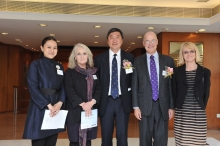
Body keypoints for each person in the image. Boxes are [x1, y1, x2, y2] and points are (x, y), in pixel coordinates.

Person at [132, 31, 175, 146]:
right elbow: (134, 85)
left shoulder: (168, 61)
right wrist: (136, 107)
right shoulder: (137, 62)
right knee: (145, 141)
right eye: (147, 41)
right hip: (144, 106)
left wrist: (171, 106)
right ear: (143, 43)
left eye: (152, 40)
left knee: (161, 140)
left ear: (157, 42)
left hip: (163, 106)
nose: (150, 43)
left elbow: (170, 85)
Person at [23, 36, 66, 146]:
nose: (52, 50)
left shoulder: (59, 66)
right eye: (49, 47)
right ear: (42, 48)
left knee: (52, 141)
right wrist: (48, 105)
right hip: (40, 107)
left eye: (55, 48)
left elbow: (63, 87)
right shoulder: (35, 65)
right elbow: (33, 87)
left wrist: (59, 103)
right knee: (39, 141)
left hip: (55, 109)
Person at [94, 28, 134, 146]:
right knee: (106, 136)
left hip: (123, 101)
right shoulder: (99, 58)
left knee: (122, 136)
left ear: (122, 40)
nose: (114, 39)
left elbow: (132, 79)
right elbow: (96, 81)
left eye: (117, 37)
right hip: (106, 101)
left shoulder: (129, 58)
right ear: (107, 41)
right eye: (111, 37)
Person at [172, 42, 211, 146]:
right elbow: (173, 91)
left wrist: (201, 106)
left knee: (198, 140)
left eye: (191, 51)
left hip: (198, 112)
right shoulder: (176, 71)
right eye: (185, 52)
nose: (189, 54)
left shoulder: (205, 72)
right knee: (182, 141)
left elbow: (207, 92)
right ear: (182, 55)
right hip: (182, 112)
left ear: (195, 53)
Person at [64, 43, 101, 146]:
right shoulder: (70, 72)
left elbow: (99, 89)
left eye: (84, 53)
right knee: (75, 141)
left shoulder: (94, 72)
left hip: (89, 112)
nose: (82, 56)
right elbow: (69, 91)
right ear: (75, 57)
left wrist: (91, 103)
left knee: (88, 140)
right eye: (79, 54)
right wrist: (84, 105)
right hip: (75, 112)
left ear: (88, 56)